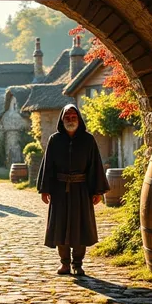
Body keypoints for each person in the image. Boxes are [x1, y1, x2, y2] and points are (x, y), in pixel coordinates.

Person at [37, 104, 109, 276]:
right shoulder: (55, 140)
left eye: (73, 117)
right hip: (60, 190)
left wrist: (97, 191)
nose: (70, 119)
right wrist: (45, 189)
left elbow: (94, 166)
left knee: (80, 226)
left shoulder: (88, 140)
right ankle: (64, 263)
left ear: (79, 119)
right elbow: (48, 166)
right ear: (62, 120)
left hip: (81, 190)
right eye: (67, 117)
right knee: (60, 225)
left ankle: (78, 263)